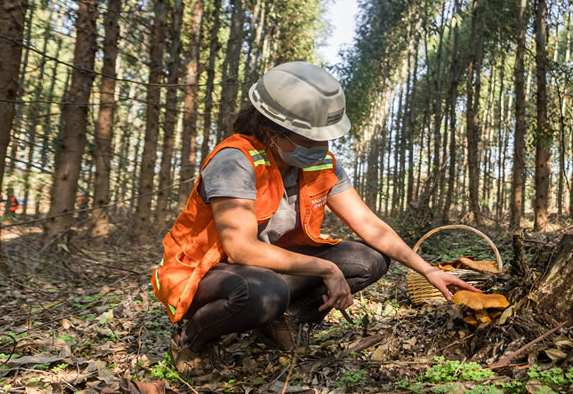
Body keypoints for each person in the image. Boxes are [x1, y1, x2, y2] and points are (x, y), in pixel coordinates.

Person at [152, 62, 480, 372]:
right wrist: (326, 267)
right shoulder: (235, 160)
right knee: (261, 292)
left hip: (273, 266)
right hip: (209, 272)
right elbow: (241, 250)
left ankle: (284, 322)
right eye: (310, 138)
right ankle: (192, 338)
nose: (321, 146)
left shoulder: (322, 163)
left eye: (325, 136)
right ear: (270, 130)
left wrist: (428, 271)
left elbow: (368, 224)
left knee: (370, 259)